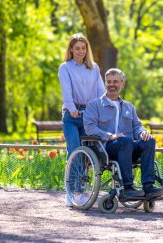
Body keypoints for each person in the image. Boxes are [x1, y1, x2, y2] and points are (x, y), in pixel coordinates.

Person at [83, 68, 163, 198]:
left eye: (115, 81)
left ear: (122, 84)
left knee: (148, 141)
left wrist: (143, 132)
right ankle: (127, 187)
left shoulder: (128, 106)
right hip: (106, 149)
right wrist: (110, 136)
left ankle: (148, 187)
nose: (111, 85)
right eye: (109, 82)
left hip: (128, 149)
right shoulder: (94, 105)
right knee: (125, 140)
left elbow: (137, 126)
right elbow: (89, 127)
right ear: (105, 83)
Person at [58, 33, 106, 206]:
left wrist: (104, 110)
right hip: (72, 116)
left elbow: (101, 92)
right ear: (71, 49)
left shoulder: (94, 68)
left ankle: (79, 188)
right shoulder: (65, 67)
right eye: (77, 48)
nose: (80, 51)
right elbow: (66, 91)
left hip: (89, 116)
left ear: (87, 50)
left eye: (83, 48)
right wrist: (72, 109)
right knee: (74, 151)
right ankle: (73, 191)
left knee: (87, 155)